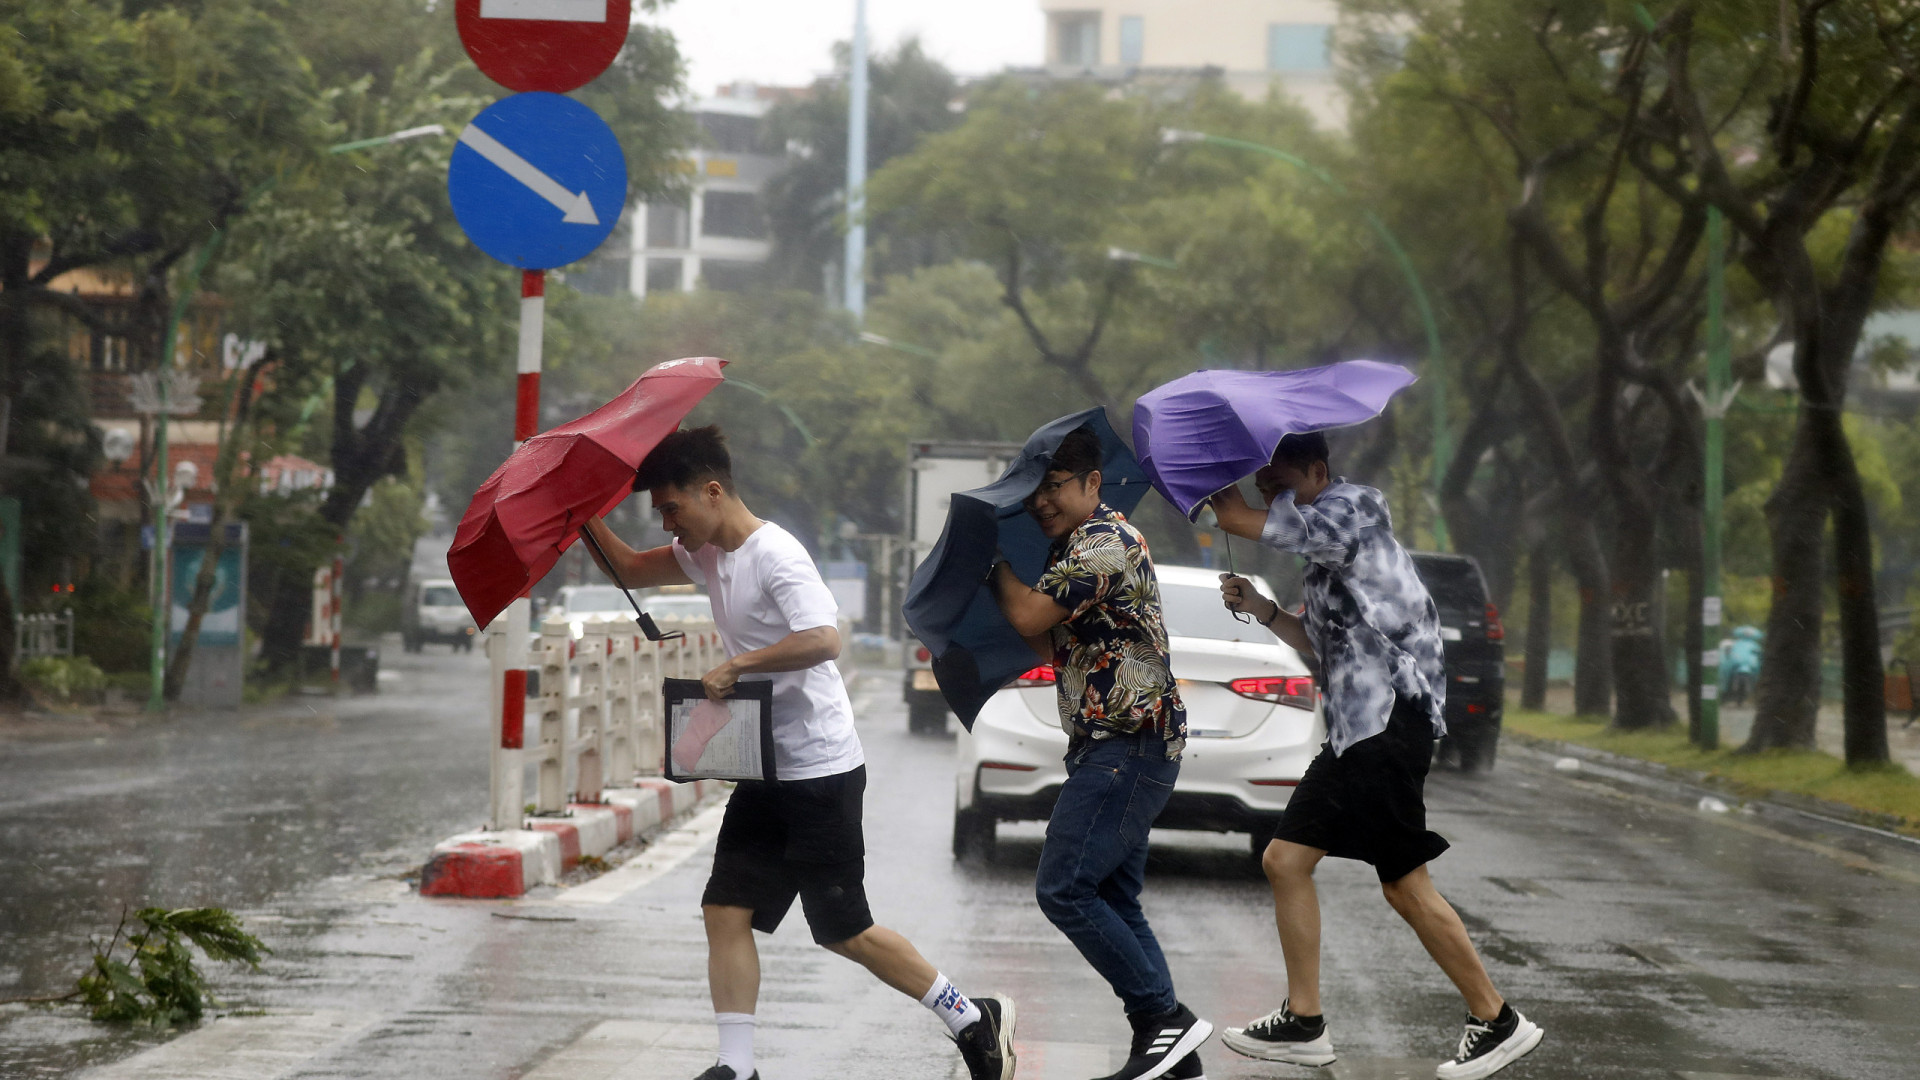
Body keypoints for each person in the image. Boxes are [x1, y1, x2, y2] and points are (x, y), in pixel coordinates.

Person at [581, 425, 1015, 1080]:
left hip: (820, 770)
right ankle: (737, 1066)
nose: (669, 524)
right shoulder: (704, 554)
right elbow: (629, 569)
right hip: (764, 768)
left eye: (673, 508)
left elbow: (824, 639)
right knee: (724, 909)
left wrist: (743, 664)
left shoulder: (775, 555)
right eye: (662, 514)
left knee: (844, 930)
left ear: (713, 491)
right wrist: (578, 512)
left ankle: (972, 1018)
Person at [1208, 432, 1543, 1080]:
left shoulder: (1352, 509)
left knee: (1403, 883)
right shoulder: (1325, 545)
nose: (1269, 491)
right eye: (1263, 481)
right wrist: (1264, 609)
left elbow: (1247, 523)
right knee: (1285, 859)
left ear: (1317, 471)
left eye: (1278, 479)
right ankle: (1304, 1021)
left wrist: (1225, 500)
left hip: (1390, 720)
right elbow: (1318, 638)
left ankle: (1496, 1019)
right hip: (1357, 731)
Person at [985, 426, 1212, 1080]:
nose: (1043, 502)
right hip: (1112, 742)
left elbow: (1031, 619)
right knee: (1116, 895)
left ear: (1092, 484)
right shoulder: (1074, 549)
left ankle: (1162, 1020)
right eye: (1037, 491)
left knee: (1064, 887)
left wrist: (994, 566)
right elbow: (1049, 646)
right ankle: (1173, 1053)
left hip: (1128, 742)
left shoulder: (1106, 542)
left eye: (1056, 487)